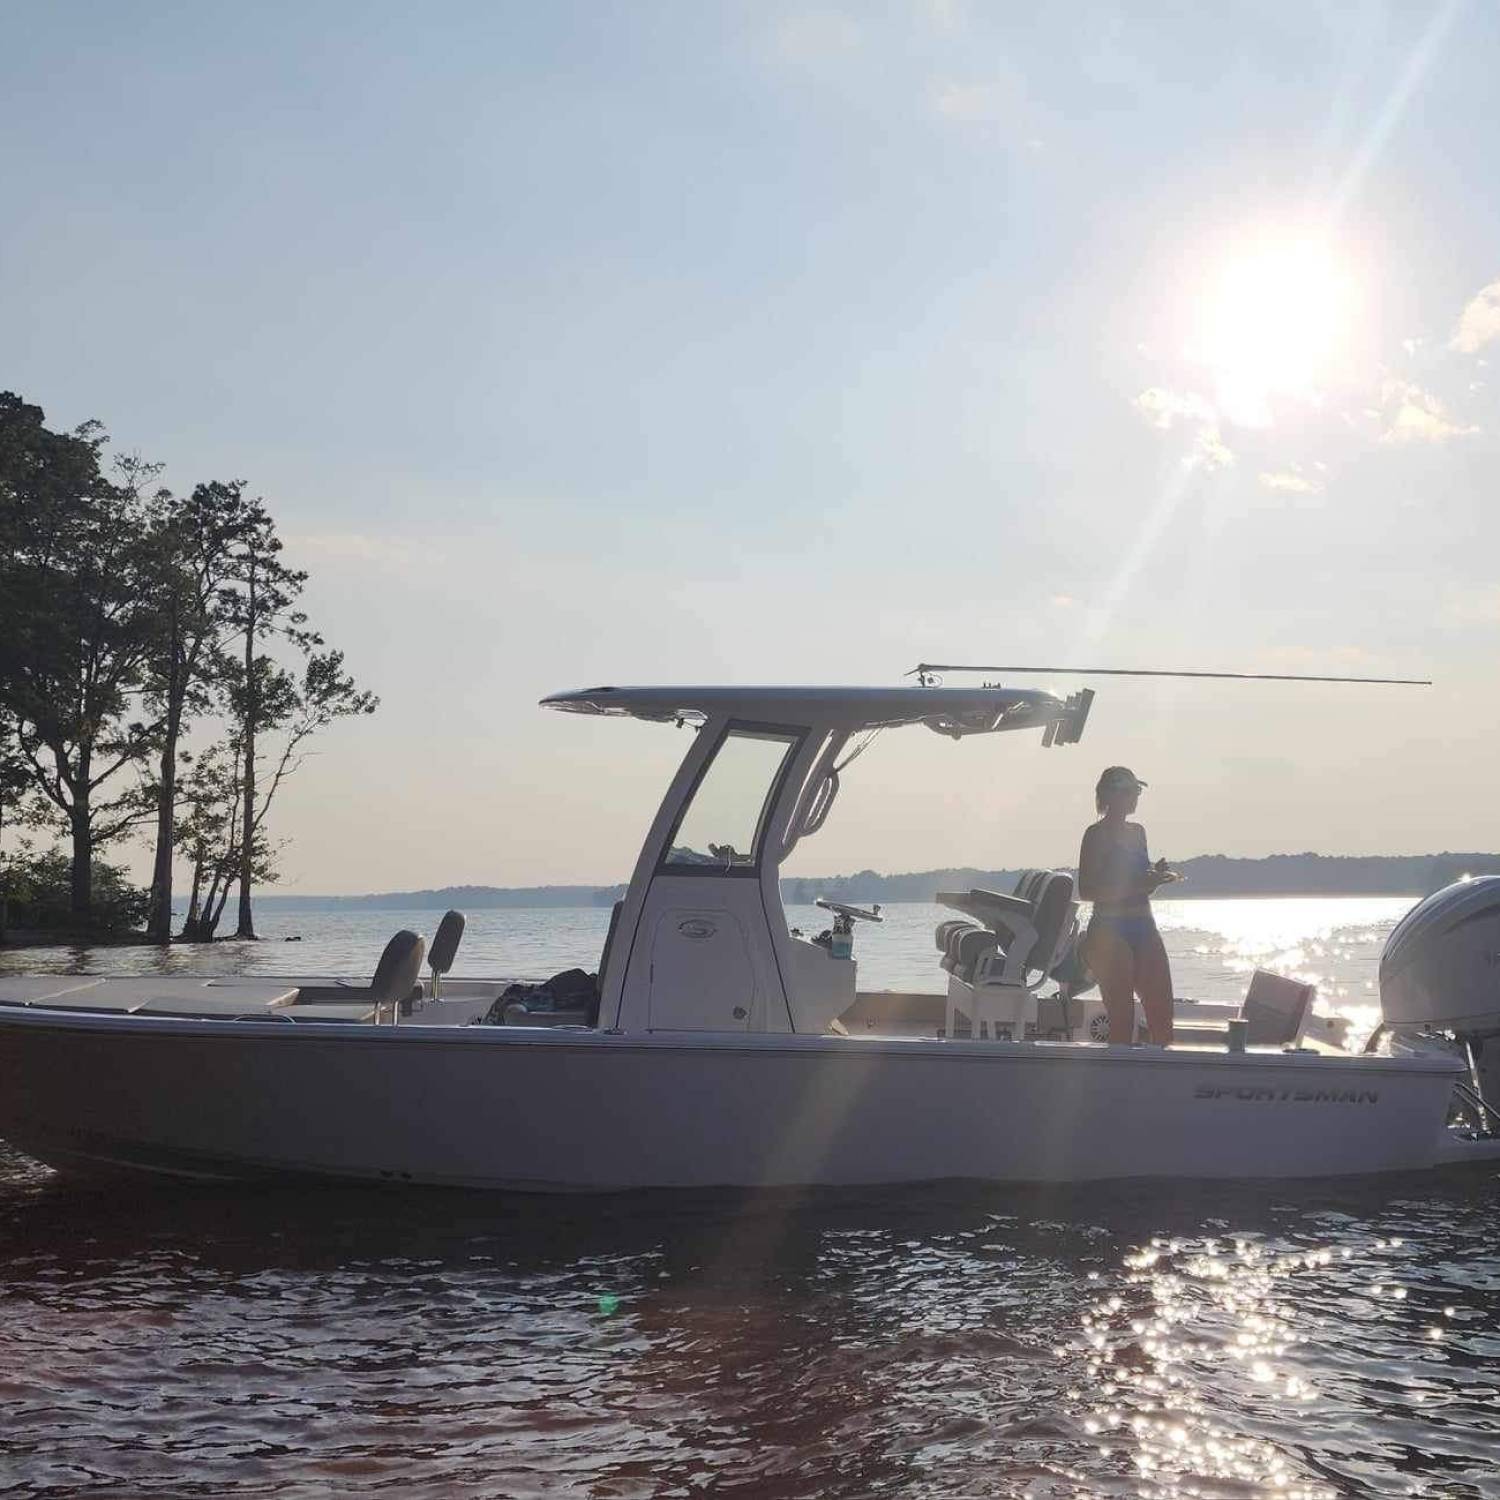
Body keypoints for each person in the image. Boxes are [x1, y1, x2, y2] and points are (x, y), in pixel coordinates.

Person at [1077, 766, 1178, 1045]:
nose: (1136, 796)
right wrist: (1137, 885)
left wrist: (1153, 878)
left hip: (1144, 925)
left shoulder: (1139, 832)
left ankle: (1162, 1082)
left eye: (1138, 791)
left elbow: (1137, 881)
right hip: (1109, 929)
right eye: (1131, 791)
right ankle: (1115, 1084)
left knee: (1162, 1017)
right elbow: (1086, 890)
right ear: (1112, 795)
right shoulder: (1096, 835)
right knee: (1122, 1018)